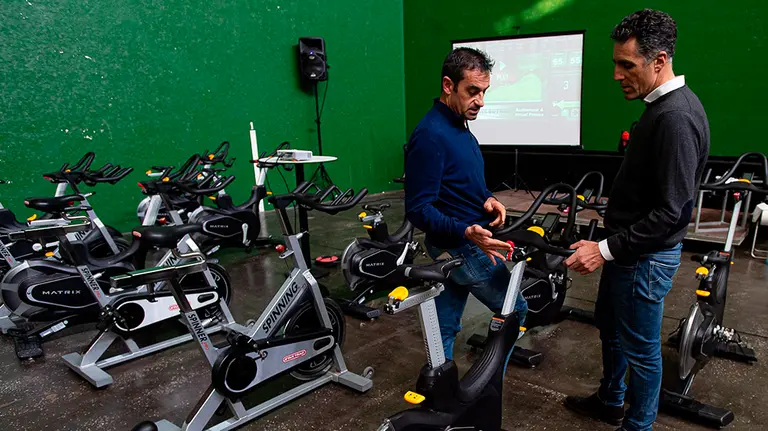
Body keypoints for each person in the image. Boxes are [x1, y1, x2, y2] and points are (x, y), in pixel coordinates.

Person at [563, 9, 710, 431]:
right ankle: (611, 400)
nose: (616, 74)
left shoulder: (675, 117)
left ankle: (638, 425)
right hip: (627, 253)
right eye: (616, 63)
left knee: (643, 352)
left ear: (659, 61)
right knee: (611, 328)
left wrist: (603, 249)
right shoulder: (661, 108)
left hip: (644, 260)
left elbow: (672, 212)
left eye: (627, 65)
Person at [404, 47, 527, 360]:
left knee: (445, 323)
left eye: (484, 92)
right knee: (515, 309)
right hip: (462, 246)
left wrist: (487, 197)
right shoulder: (431, 135)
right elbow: (418, 209)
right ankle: (488, 381)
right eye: (473, 91)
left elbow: (460, 181)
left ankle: (437, 383)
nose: (481, 101)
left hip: (461, 240)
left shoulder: (458, 124)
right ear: (448, 85)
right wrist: (466, 231)